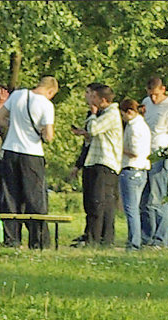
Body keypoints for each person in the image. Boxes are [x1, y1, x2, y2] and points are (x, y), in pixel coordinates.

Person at [0, 75, 59, 249]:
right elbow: (49, 136)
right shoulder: (46, 105)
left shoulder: (17, 95)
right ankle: (37, 241)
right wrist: (38, 132)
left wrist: (14, 126)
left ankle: (11, 239)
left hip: (10, 150)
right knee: (34, 198)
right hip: (32, 153)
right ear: (50, 91)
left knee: (10, 196)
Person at [139, 76, 168, 247]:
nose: (153, 98)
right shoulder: (146, 102)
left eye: (156, 95)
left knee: (157, 197)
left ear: (163, 90)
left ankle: (161, 238)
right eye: (150, 95)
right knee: (144, 198)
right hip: (144, 153)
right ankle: (147, 236)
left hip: (160, 152)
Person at [80, 84, 122, 246]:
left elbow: (94, 129)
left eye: (92, 96)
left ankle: (98, 238)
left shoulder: (111, 113)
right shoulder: (103, 114)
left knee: (100, 202)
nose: (89, 98)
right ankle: (93, 235)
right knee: (93, 202)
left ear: (102, 100)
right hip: (94, 160)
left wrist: (92, 114)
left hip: (105, 162)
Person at [69, 82, 105, 246]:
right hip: (89, 160)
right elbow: (88, 141)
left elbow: (94, 131)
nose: (86, 97)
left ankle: (95, 236)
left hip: (101, 161)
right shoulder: (90, 114)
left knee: (96, 202)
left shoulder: (103, 114)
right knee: (88, 201)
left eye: (89, 93)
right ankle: (88, 233)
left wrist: (92, 118)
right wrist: (78, 164)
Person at [118, 98, 152, 251]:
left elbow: (135, 151)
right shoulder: (143, 125)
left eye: (123, 115)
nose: (123, 118)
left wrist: (119, 148)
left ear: (129, 112)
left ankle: (134, 242)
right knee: (136, 208)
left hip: (132, 168)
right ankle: (137, 240)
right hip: (142, 170)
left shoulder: (133, 127)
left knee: (131, 209)